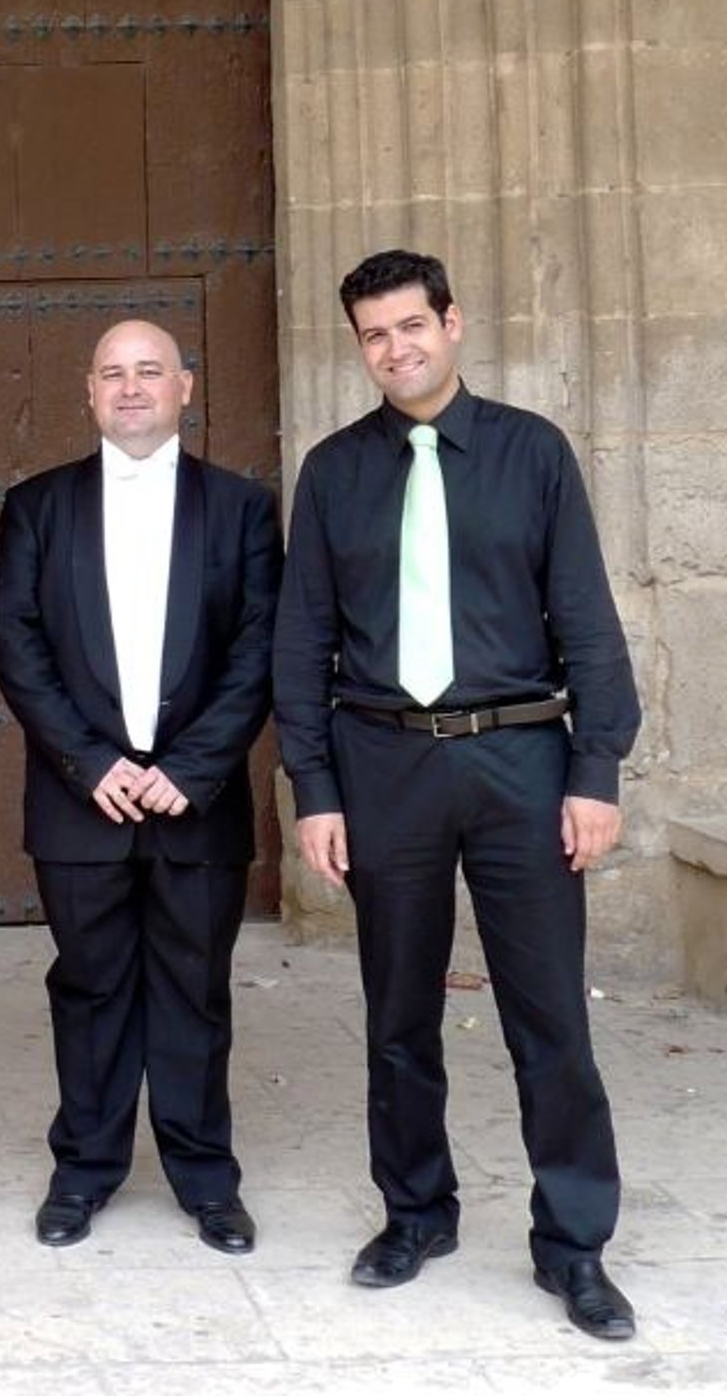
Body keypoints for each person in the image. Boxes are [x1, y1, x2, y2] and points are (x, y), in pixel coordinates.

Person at [274, 248, 641, 1341]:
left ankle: (573, 1245)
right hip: (384, 764)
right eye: (374, 335)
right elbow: (302, 640)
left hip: (521, 761)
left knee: (550, 1017)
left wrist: (595, 771)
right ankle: (415, 1214)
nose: (396, 349)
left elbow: (586, 618)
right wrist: (314, 789)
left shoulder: (534, 453)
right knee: (398, 1014)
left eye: (411, 326)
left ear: (453, 322)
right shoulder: (333, 472)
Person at [0, 319, 281, 1256]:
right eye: (112, 372)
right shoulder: (37, 506)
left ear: (185, 386)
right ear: (88, 390)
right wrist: (91, 762)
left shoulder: (243, 508)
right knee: (89, 988)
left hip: (200, 801)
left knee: (196, 991)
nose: (130, 387)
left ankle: (206, 1178)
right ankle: (84, 1170)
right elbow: (16, 644)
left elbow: (260, 649)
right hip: (81, 800)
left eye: (149, 370)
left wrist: (191, 769)